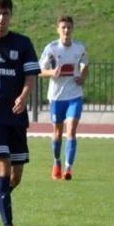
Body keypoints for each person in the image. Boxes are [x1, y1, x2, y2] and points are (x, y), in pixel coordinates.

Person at [0, 0, 41, 226]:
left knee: (15, 177)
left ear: (11, 16)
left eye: (5, 13)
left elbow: (31, 77)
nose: (1, 18)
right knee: (1, 168)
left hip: (16, 117)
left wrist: (24, 95)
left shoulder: (22, 44)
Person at [39, 14, 88, 181]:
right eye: (63, 27)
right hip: (56, 97)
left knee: (71, 131)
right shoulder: (51, 49)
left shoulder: (79, 48)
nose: (66, 30)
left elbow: (85, 65)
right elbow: (40, 70)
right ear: (58, 29)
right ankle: (57, 162)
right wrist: (52, 72)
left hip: (74, 95)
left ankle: (68, 168)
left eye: (69, 27)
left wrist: (82, 77)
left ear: (72, 29)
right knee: (57, 133)